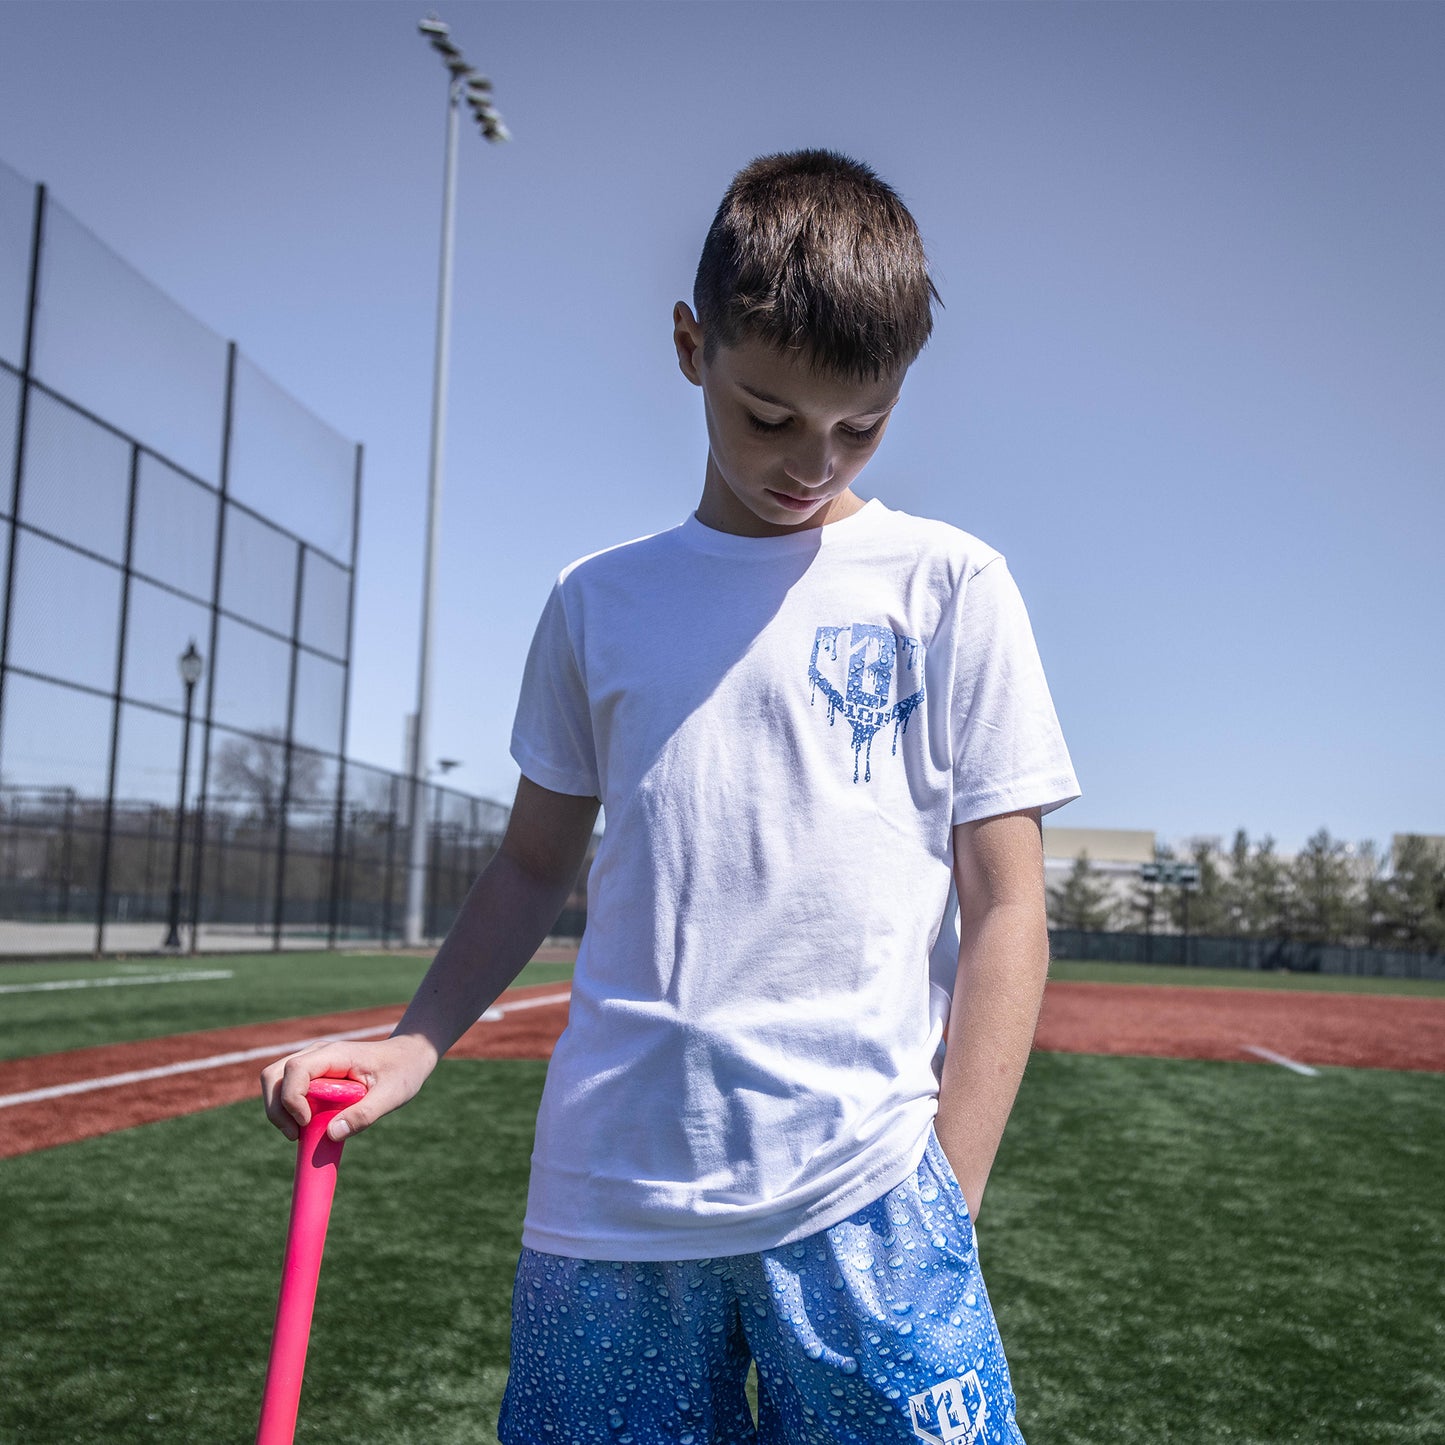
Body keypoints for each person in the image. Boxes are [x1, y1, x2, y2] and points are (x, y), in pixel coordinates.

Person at [262, 148, 1079, 1445]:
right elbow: (532, 865)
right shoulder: (598, 603)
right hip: (612, 1207)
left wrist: (948, 1189)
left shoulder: (950, 585)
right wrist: (414, 1041)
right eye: (768, 414)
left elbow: (1007, 905)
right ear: (691, 344)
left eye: (857, 425)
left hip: (871, 1198)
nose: (809, 459)